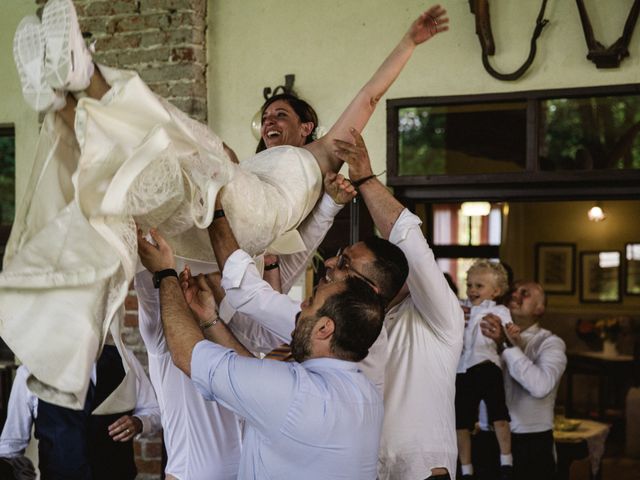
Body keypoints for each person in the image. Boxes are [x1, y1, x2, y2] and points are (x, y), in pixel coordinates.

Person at [1, 0, 448, 410]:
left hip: (253, 216)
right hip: (222, 219)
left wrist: (409, 42)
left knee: (198, 155)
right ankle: (65, 97)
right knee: (156, 176)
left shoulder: (326, 151)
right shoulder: (249, 164)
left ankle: (87, 78)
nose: (270, 120)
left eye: (282, 115)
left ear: (308, 126)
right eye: (266, 116)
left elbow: (369, 96)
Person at [137, 223, 386, 479]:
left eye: (310, 304)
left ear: (324, 328)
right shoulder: (366, 395)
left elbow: (186, 355)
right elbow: (255, 374)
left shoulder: (295, 393)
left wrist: (165, 272)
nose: (300, 306)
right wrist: (211, 320)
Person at [331, 130, 464, 479]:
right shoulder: (354, 322)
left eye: (346, 263)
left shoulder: (439, 317)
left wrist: (364, 179)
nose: (333, 268)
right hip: (364, 467)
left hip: (420, 469)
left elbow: (411, 243)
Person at [0, 348, 161, 480]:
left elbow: (153, 410)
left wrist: (139, 422)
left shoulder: (124, 359)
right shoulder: (30, 371)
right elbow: (11, 446)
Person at [478, 281, 567, 480]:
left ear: (539, 308)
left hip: (531, 443)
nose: (515, 295)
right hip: (488, 437)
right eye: (514, 291)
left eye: (524, 293)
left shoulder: (550, 343)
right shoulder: (485, 336)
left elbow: (540, 386)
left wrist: (505, 345)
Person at [455, 260, 513, 479]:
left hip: (487, 365)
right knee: (461, 421)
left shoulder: (499, 310)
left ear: (496, 291)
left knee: (499, 413)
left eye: (479, 286)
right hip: (463, 369)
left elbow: (507, 333)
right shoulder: (462, 307)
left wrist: (510, 331)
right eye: (469, 285)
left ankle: (506, 459)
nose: (472, 290)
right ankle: (466, 467)